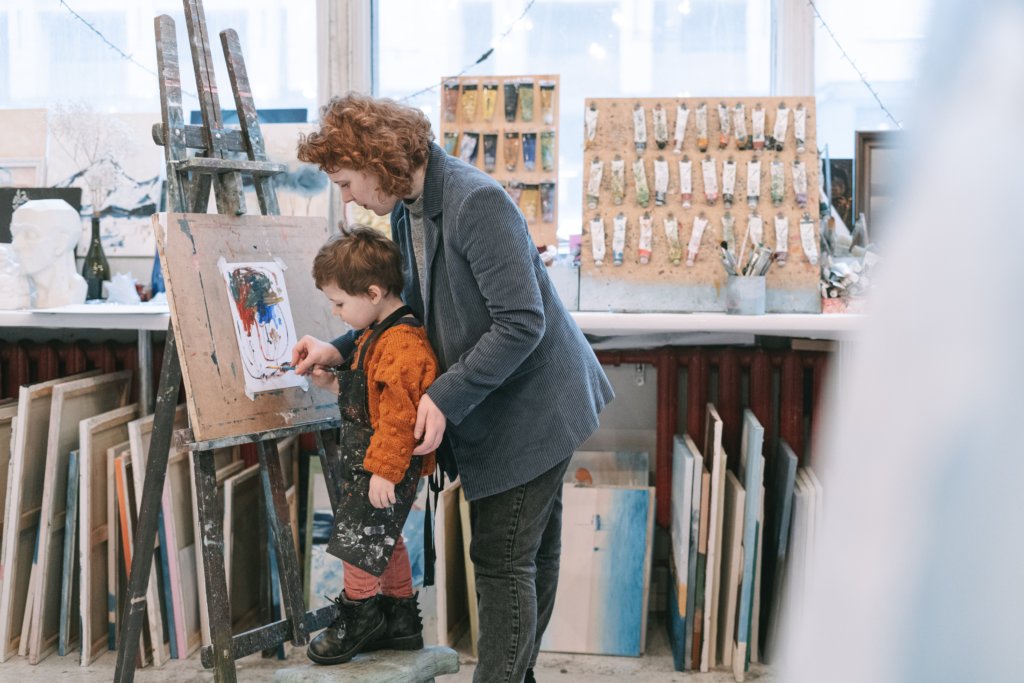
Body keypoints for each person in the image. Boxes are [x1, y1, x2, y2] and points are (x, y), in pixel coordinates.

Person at [293, 92, 614, 682]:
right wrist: (338, 351)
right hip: (502, 394)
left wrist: (441, 395)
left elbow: (522, 322)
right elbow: (408, 307)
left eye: (345, 181)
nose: (347, 197)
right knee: (524, 556)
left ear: (376, 159)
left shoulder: (476, 203)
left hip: (536, 404)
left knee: (501, 559)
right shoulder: (407, 209)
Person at [304, 226, 440, 666]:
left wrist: (384, 470)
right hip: (373, 460)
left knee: (357, 541)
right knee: (383, 537)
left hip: (383, 466)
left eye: (340, 303)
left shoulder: (401, 343)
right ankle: (400, 620)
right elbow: (371, 395)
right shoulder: (378, 330)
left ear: (375, 292)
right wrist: (333, 382)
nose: (337, 313)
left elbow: (399, 415)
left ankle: (359, 615)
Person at [10, 198, 87, 307]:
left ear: (61, 243)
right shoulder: (16, 292)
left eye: (30, 235)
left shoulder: (73, 291)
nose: (16, 245)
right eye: (14, 234)